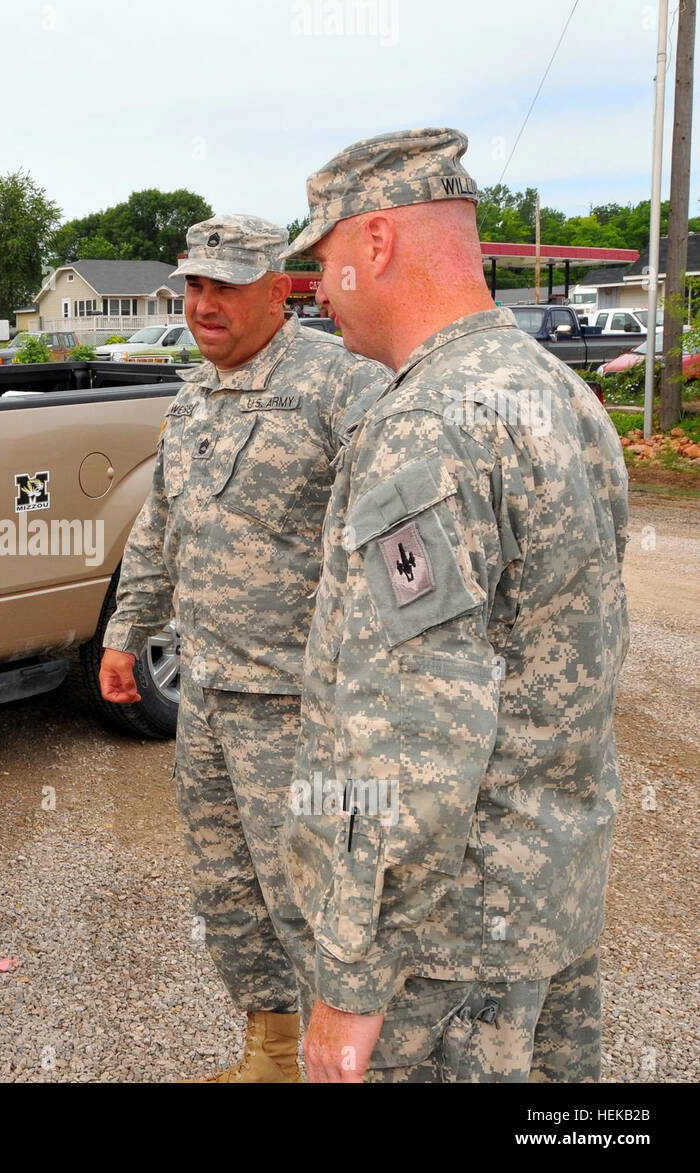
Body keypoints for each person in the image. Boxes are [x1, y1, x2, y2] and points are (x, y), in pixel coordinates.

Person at [279, 128, 630, 1082]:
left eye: (324, 258)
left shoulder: (426, 427)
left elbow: (412, 730)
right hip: (549, 904)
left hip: (447, 956)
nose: (316, 288)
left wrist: (352, 982)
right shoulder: (561, 394)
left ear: (378, 243)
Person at [97, 215, 389, 1082]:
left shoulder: (343, 389)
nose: (204, 303)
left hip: (301, 709)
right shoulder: (193, 398)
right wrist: (127, 631)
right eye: (193, 284)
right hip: (210, 699)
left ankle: (334, 1065)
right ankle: (268, 1056)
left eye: (225, 285)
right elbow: (159, 528)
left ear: (280, 289)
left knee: (315, 899)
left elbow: (390, 549)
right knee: (230, 893)